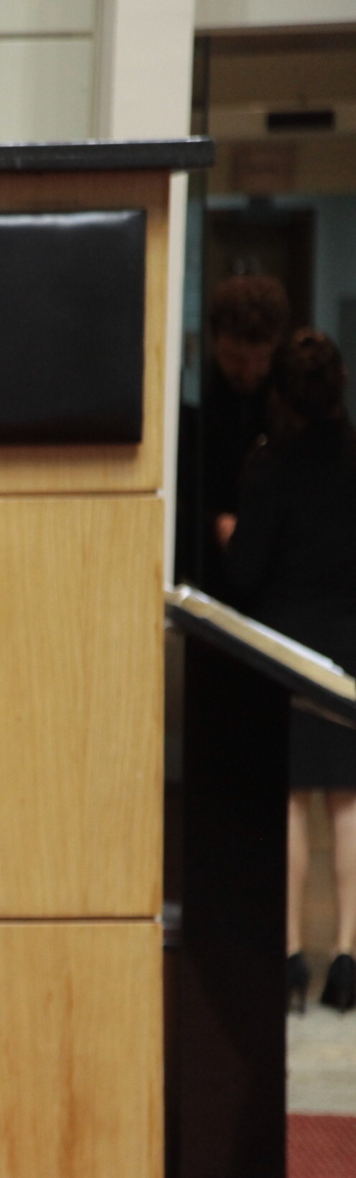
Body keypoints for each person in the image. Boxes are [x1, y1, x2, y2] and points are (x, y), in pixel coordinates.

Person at [223, 328, 356, 1014]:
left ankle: (289, 960)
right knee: (349, 804)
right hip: (350, 644)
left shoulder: (269, 465)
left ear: (282, 393)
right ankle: (348, 959)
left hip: (287, 648)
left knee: (292, 805)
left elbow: (245, 569)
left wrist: (226, 534)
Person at [188, 274, 289, 593]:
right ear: (215, 342)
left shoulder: (288, 402)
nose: (248, 372)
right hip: (206, 569)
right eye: (236, 359)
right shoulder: (192, 400)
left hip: (274, 575)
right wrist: (213, 522)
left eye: (261, 359)